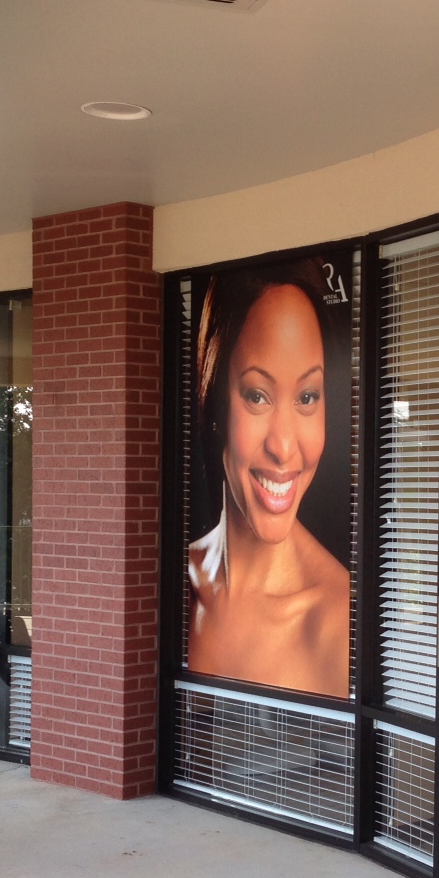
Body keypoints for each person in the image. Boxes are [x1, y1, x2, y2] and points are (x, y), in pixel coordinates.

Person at [187, 261, 351, 697]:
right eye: (257, 396)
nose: (283, 446)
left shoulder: (336, 622)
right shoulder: (176, 582)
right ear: (215, 401)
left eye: (307, 397)